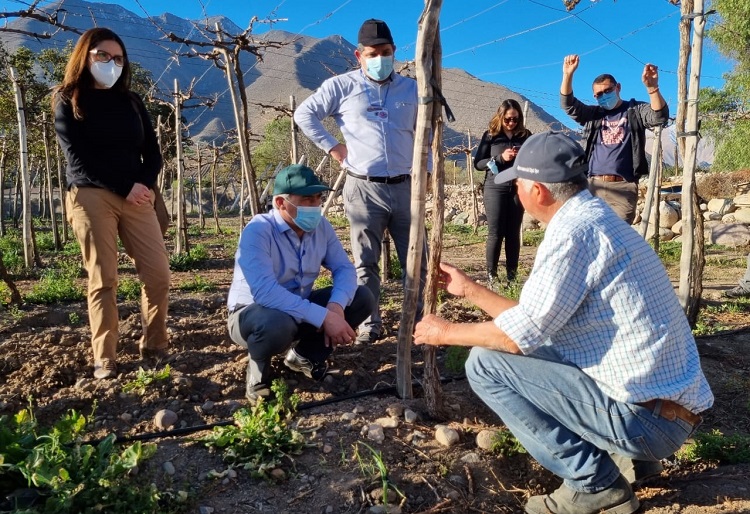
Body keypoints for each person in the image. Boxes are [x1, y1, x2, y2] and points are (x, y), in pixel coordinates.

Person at [414, 131, 713, 514]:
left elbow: (513, 339)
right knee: (541, 347)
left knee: (485, 364)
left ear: (537, 190)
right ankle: (636, 461)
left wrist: (444, 333)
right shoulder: (594, 218)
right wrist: (470, 290)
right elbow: (532, 322)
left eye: (518, 183)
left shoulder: (574, 234)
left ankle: (594, 481)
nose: (516, 191)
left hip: (648, 423)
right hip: (666, 413)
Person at [294, 18, 427, 345]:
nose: (379, 58)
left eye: (385, 52)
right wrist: (333, 147)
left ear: (394, 51)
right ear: (358, 55)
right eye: (372, 53)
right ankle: (370, 324)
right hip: (363, 187)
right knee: (366, 261)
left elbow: (429, 132)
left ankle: (420, 322)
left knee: (417, 260)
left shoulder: (413, 89)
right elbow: (304, 115)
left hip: (406, 186)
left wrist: (429, 170)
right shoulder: (341, 87)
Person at [53, 28, 170, 380]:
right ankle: (105, 356)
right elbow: (78, 158)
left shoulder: (131, 102)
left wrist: (144, 184)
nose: (111, 63)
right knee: (104, 278)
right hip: (92, 194)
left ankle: (155, 344)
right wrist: (125, 187)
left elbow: (152, 152)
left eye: (117, 58)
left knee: (158, 274)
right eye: (103, 56)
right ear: (85, 56)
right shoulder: (67, 98)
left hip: (137, 193)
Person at [226, 164, 375, 403]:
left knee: (361, 297)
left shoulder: (321, 227)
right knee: (275, 322)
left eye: (318, 198)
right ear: (280, 203)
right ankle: (259, 379)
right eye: (307, 199)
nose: (316, 206)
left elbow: (344, 269)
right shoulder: (259, 230)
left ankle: (304, 356)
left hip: (298, 308)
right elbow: (266, 293)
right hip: (252, 315)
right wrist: (325, 318)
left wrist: (335, 308)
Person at [560, 54, 669, 224]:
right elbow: (568, 104)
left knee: (617, 239)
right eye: (598, 94)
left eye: (607, 90)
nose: (603, 96)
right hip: (592, 186)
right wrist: (568, 75)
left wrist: (652, 88)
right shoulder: (593, 115)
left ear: (618, 87)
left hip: (623, 188)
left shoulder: (635, 110)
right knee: (592, 236)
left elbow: (659, 116)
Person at [473, 99, 532, 285]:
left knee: (513, 232)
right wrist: (499, 158)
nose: (511, 123)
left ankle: (512, 276)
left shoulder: (525, 135)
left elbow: (533, 158)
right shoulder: (491, 136)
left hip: (517, 187)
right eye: (508, 120)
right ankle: (492, 276)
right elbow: (478, 164)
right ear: (501, 117)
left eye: (515, 119)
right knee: (495, 232)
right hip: (495, 187)